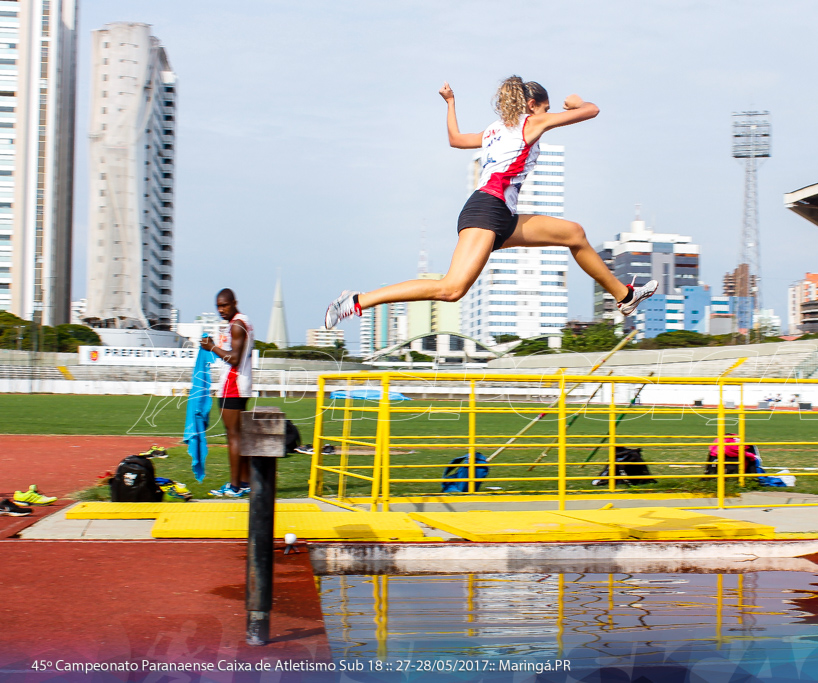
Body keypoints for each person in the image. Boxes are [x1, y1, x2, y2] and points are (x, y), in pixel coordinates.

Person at [324, 76, 658, 328]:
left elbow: (456, 140)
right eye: (546, 108)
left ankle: (625, 297)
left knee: (573, 233)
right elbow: (592, 110)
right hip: (487, 209)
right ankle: (355, 301)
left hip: (502, 214)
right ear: (533, 106)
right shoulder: (531, 122)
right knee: (451, 289)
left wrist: (451, 103)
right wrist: (575, 102)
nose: (548, 115)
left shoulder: (494, 130)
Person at [200, 288, 255, 498]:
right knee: (237, 436)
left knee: (233, 437)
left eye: (225, 305)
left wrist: (212, 347)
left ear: (234, 302)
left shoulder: (238, 324)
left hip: (234, 385)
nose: (221, 310)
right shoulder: (239, 323)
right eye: (218, 306)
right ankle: (245, 482)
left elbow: (234, 359)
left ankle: (235, 487)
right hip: (239, 384)